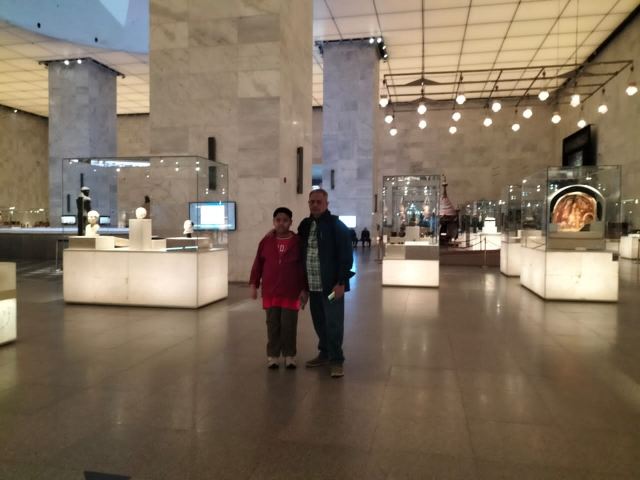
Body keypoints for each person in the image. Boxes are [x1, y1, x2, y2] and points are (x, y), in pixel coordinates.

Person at [298, 189, 354, 378]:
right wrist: (303, 287)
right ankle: (325, 353)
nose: (315, 205)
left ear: (326, 204)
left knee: (333, 322)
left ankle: (336, 360)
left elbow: (346, 257)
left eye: (319, 202)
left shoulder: (337, 226)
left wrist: (341, 283)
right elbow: (300, 255)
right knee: (319, 321)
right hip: (313, 287)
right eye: (312, 202)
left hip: (331, 288)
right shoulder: (305, 225)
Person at [250, 207, 307, 370]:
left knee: (289, 325)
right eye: (278, 220)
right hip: (271, 292)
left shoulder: (298, 242)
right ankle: (273, 356)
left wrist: (304, 289)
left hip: (291, 292)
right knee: (272, 324)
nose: (281, 223)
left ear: (291, 222)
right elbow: (258, 263)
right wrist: (254, 284)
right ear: (274, 222)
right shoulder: (266, 241)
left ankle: (290, 355)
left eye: (285, 220)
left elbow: (303, 267)